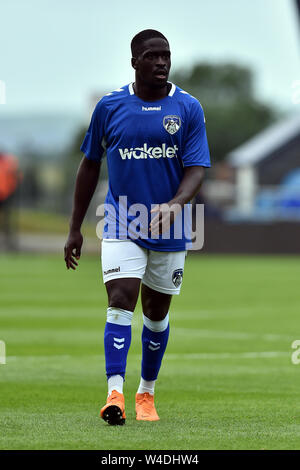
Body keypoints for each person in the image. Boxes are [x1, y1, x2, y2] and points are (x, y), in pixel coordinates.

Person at [64, 29, 211, 425]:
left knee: (156, 313)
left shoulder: (188, 107)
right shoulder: (110, 107)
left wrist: (175, 204)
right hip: (120, 220)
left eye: (166, 55)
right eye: (152, 56)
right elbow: (90, 165)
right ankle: (115, 394)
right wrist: (75, 228)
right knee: (121, 299)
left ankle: (146, 392)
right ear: (134, 62)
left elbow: (197, 169)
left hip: (172, 227)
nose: (161, 62)